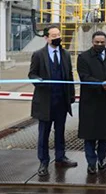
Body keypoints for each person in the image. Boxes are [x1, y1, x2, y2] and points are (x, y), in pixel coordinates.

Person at [28, 25, 78, 177]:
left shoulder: (65, 54)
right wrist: (40, 81)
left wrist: (71, 95)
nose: (57, 38)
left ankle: (60, 157)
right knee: (44, 133)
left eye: (58, 35)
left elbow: (69, 75)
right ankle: (43, 161)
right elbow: (32, 74)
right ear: (46, 38)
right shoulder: (38, 55)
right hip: (45, 101)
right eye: (53, 35)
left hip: (61, 101)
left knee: (60, 131)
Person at [77, 31, 106, 174]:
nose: (100, 45)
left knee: (104, 135)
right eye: (97, 42)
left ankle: (102, 158)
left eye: (102, 42)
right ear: (92, 42)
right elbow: (84, 76)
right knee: (89, 135)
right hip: (90, 102)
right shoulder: (83, 57)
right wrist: (100, 83)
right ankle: (91, 162)